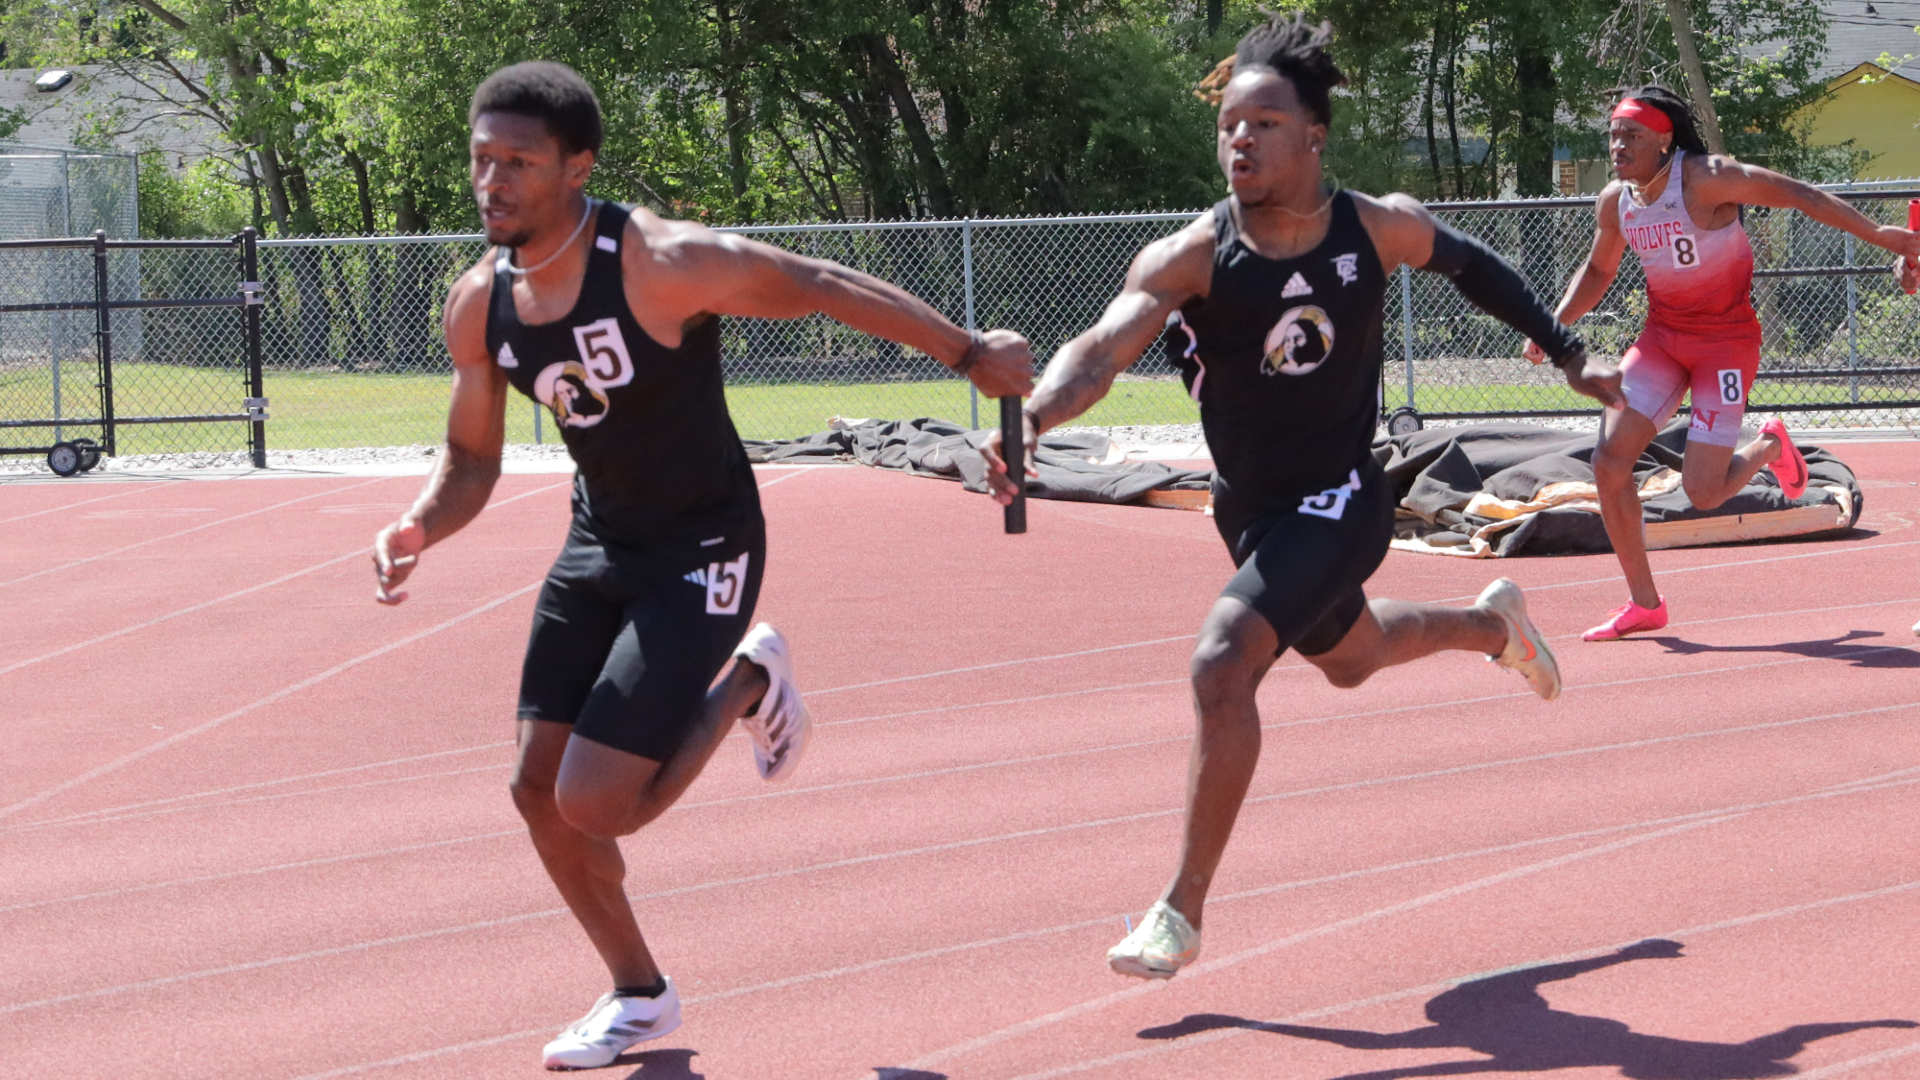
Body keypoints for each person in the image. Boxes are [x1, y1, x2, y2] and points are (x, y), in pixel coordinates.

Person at [370, 62, 1032, 1069]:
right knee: (531, 791)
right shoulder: (479, 304)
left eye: (519, 162)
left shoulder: (656, 261)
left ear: (576, 167)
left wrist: (964, 349)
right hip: (601, 543)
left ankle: (748, 682)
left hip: (705, 543)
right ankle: (639, 994)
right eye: (481, 160)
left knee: (593, 802)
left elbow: (816, 285)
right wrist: (419, 526)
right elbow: (471, 458)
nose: (492, 182)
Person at [980, 13, 1620, 981]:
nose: (1241, 139)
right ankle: (1496, 630)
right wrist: (1032, 423)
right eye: (1230, 125)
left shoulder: (1376, 227)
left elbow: (1475, 266)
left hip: (1343, 494)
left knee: (1221, 662)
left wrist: (1569, 354)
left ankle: (1179, 911)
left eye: (1265, 123)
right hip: (1251, 509)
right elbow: (1099, 351)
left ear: (1313, 136)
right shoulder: (1192, 255)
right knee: (1354, 658)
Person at [1526, 86, 1920, 641]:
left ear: (1664, 141)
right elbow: (1598, 271)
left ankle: (1770, 447)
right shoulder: (1616, 200)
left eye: (1632, 135)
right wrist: (1552, 323)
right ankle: (1646, 604)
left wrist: (1880, 235)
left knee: (1704, 492)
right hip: (1662, 340)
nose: (1618, 144)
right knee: (1609, 463)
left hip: (1727, 345)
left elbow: (1800, 194)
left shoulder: (1709, 177)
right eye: (1614, 134)